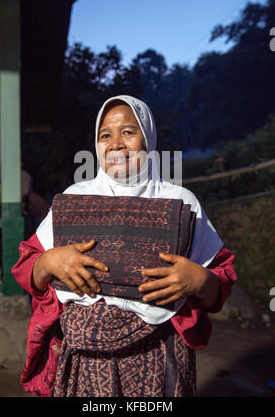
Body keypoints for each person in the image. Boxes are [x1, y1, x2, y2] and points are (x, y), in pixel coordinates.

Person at [12, 95, 237, 397]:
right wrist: (48, 262)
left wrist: (199, 280)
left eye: (128, 131)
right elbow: (27, 267)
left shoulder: (181, 203)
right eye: (105, 134)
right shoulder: (75, 200)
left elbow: (219, 285)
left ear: (149, 138)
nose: (115, 143)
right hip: (83, 364)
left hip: (159, 359)